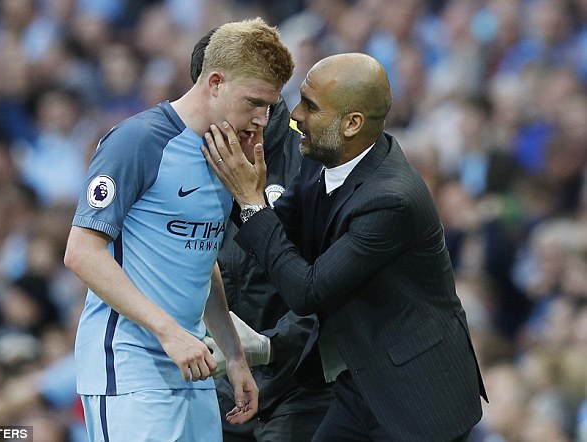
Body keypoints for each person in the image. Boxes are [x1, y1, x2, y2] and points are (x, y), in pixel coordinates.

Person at [203, 52, 488, 442]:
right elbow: (277, 231)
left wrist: (252, 202)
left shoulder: (391, 199)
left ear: (352, 123)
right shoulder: (325, 158)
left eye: (311, 106)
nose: (296, 115)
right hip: (361, 379)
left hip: (417, 397)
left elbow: (308, 291)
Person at [63, 18, 294, 442]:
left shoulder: (222, 152)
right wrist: (170, 332)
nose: (262, 119)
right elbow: (82, 252)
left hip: (194, 366)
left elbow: (200, 260)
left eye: (270, 107)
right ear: (216, 83)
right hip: (130, 370)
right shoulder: (138, 141)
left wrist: (235, 355)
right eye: (254, 102)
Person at [190, 30, 332, 441]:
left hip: (302, 385)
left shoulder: (312, 162)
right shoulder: (179, 157)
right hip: (215, 385)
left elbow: (330, 281)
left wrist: (270, 346)